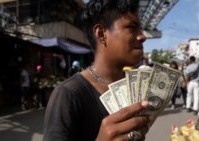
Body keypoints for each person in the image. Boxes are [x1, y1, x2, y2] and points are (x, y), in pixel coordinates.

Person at [43, 0, 150, 141]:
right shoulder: (69, 94)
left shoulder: (132, 87)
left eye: (140, 29)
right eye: (132, 27)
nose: (143, 36)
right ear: (101, 34)